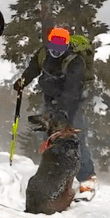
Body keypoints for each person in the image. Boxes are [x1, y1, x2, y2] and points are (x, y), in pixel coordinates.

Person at [13, 26, 97, 198]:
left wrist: (61, 112)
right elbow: (33, 68)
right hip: (50, 98)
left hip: (73, 103)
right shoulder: (43, 54)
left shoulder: (75, 61)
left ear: (66, 45)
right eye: (53, 46)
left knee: (75, 139)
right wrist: (23, 81)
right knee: (50, 137)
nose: (56, 51)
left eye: (60, 47)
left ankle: (87, 180)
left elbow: (72, 90)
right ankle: (54, 177)